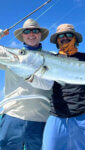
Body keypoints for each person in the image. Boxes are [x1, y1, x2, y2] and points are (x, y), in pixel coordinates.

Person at [0, 18, 54, 150]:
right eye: (27, 31)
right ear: (22, 35)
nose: (31, 34)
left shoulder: (53, 56)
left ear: (40, 35)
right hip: (12, 115)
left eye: (35, 31)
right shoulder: (10, 55)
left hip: (41, 119)